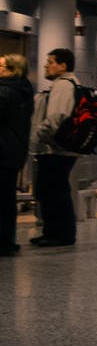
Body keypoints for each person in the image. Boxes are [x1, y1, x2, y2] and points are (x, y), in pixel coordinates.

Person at [29, 48, 81, 248]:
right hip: (60, 148)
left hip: (55, 149)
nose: (45, 65)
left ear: (63, 66)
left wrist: (38, 136)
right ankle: (58, 232)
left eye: (50, 62)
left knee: (53, 191)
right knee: (56, 189)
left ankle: (58, 234)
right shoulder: (69, 84)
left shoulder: (63, 86)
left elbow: (56, 117)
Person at [0, 54, 32, 256]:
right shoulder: (24, 89)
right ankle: (6, 240)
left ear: (12, 70)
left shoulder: (4, 90)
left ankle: (3, 242)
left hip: (2, 150)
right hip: (13, 150)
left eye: (1, 65)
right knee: (6, 198)